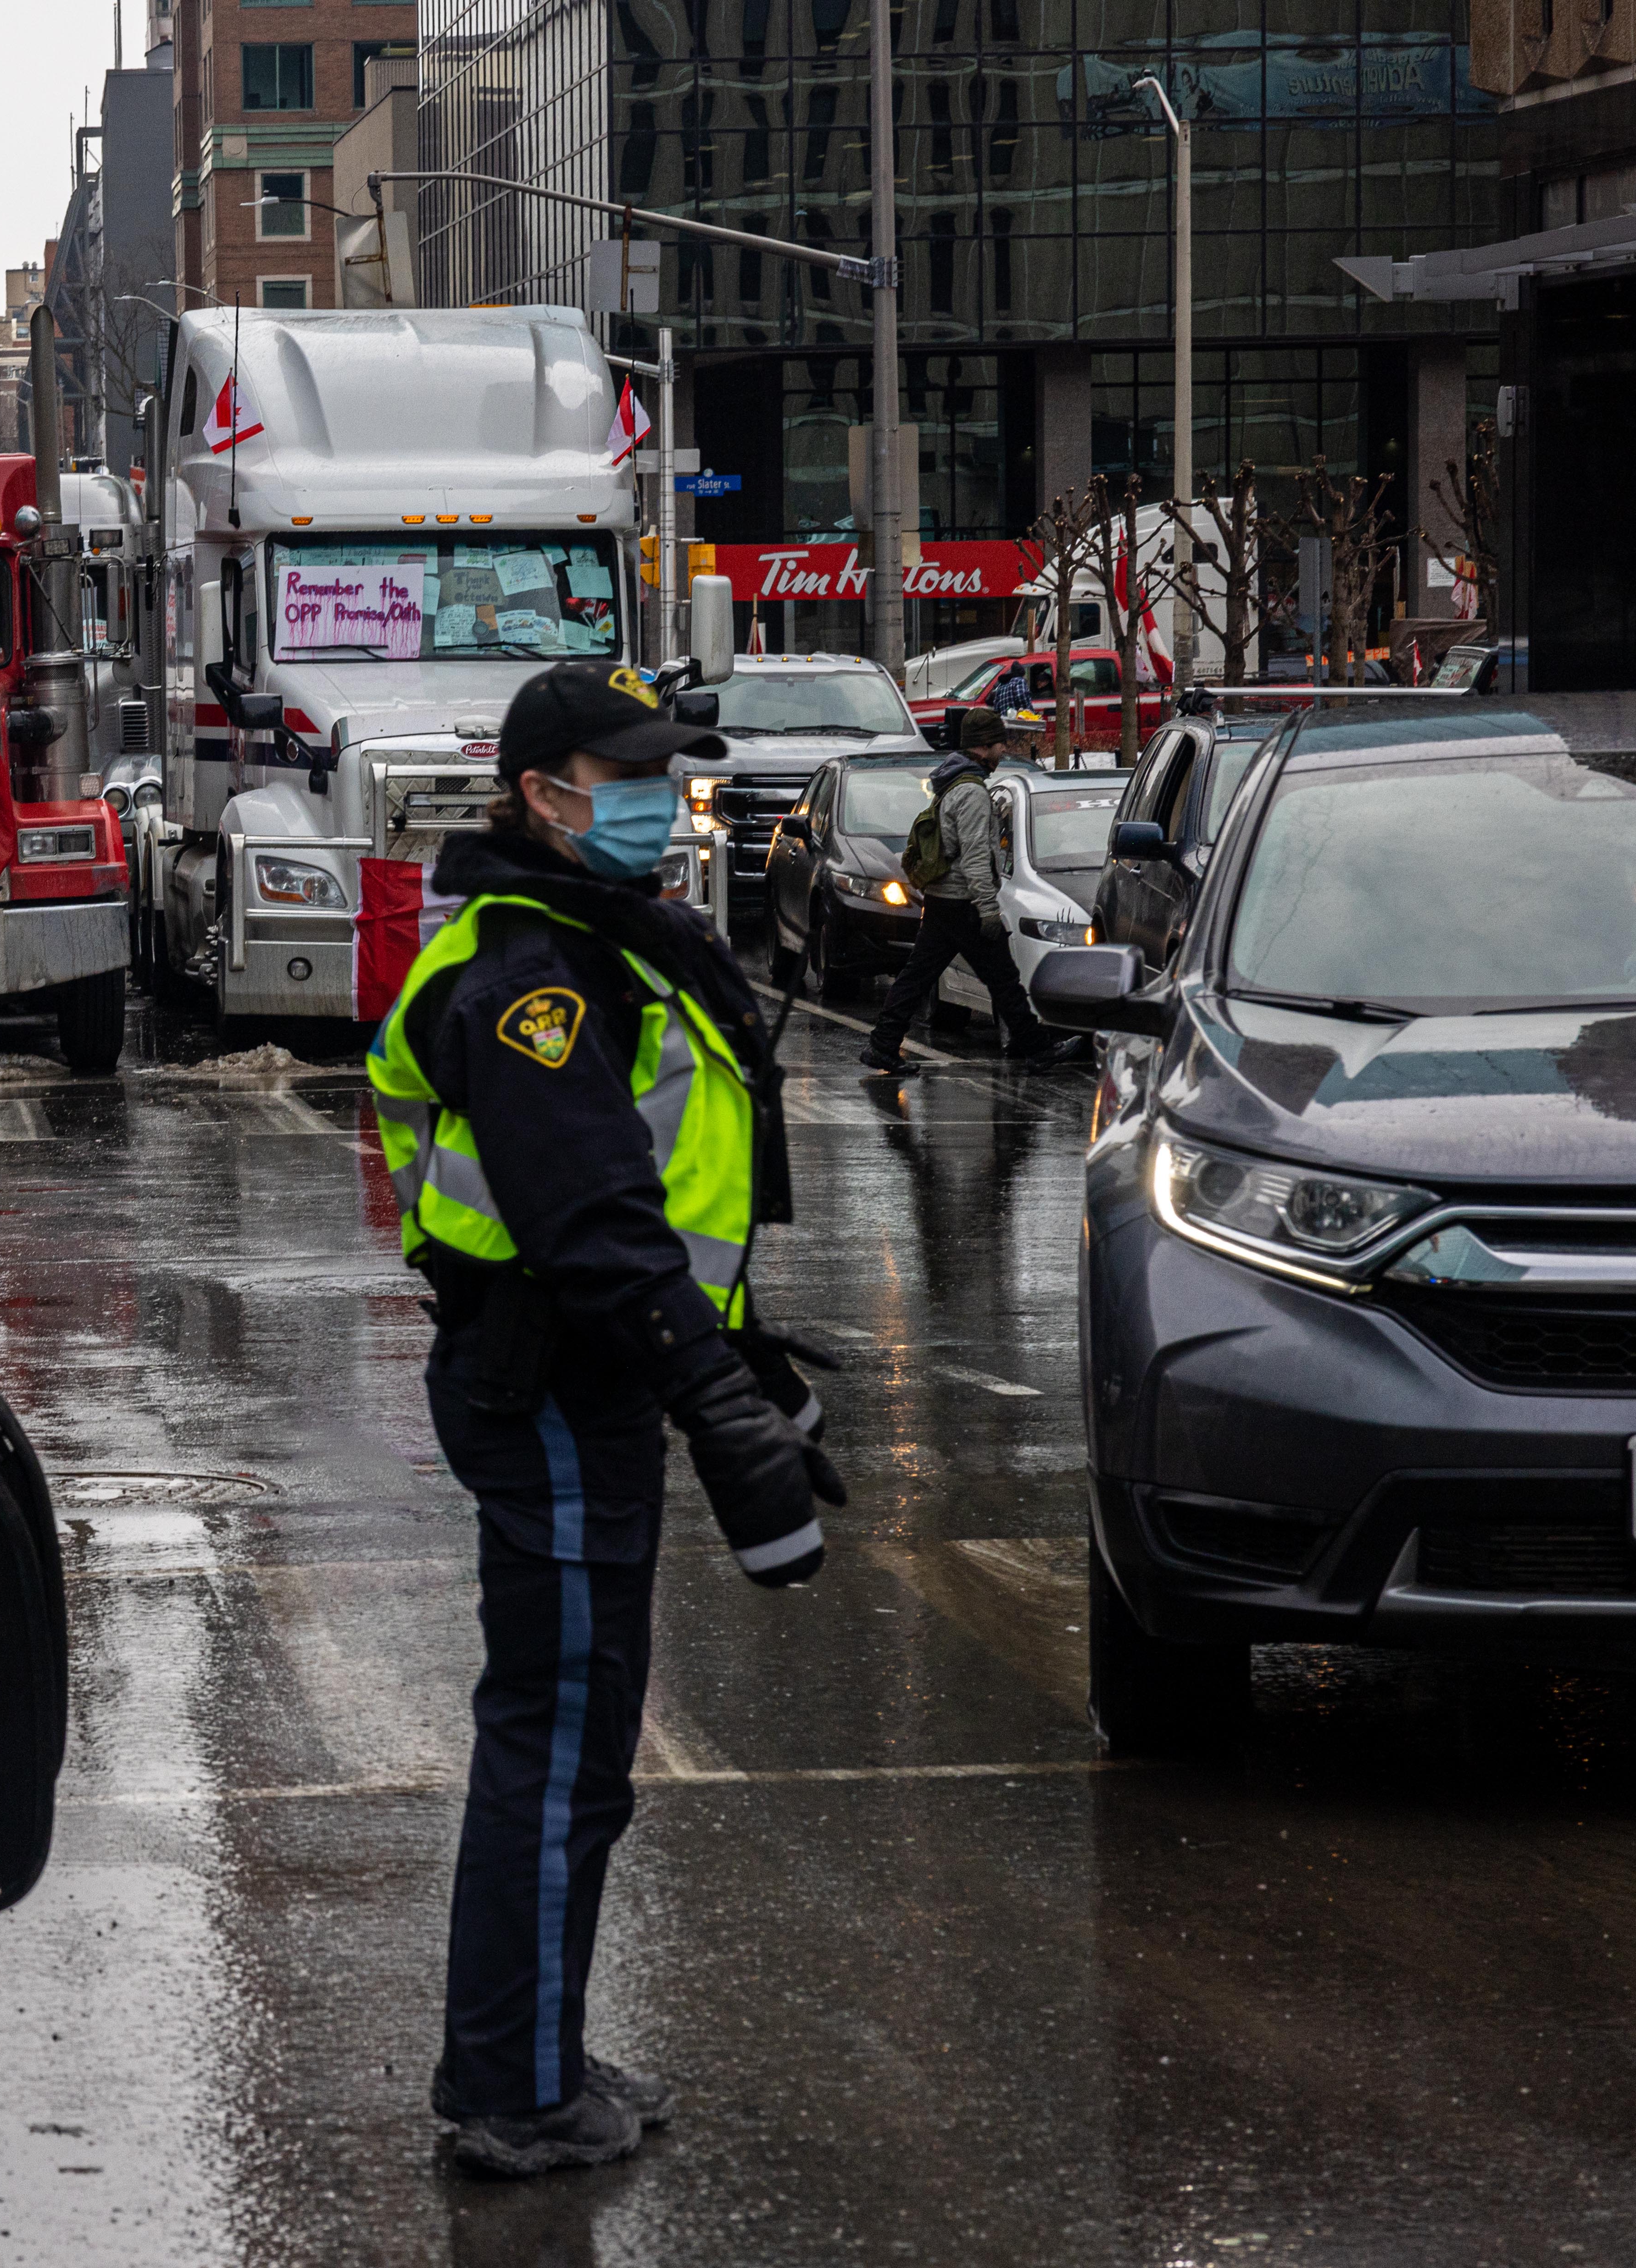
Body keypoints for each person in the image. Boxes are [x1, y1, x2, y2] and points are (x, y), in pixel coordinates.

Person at [371, 663, 842, 2180]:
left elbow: (659, 1203)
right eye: (620, 777)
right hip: (555, 1386)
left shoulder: (598, 940)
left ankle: (534, 2052)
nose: (653, 802)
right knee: (560, 1745)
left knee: (575, 1747)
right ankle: (510, 2085)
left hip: (591, 1377)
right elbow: (588, 1222)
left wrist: (737, 1361)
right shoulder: (530, 978)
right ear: (540, 795)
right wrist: (713, 1404)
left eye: (662, 774)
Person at [858, 709, 1092, 1078]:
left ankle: (883, 1045)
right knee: (1002, 978)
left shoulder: (953, 783)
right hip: (962, 903)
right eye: (1000, 743)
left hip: (942, 900)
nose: (1004, 749)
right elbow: (976, 856)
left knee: (919, 977)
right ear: (984, 746)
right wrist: (987, 910)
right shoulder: (971, 792)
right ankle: (1037, 1049)